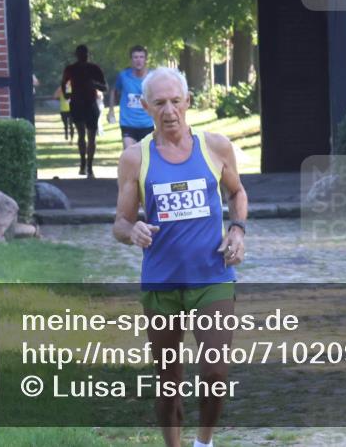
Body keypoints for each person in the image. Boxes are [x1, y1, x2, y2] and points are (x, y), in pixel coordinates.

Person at [113, 67, 247, 447]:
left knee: (215, 373)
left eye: (176, 100)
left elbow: (238, 192)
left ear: (188, 101)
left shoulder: (215, 146)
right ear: (144, 107)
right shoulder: (134, 158)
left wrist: (237, 229)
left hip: (212, 275)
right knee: (168, 382)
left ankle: (204, 442)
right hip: (162, 282)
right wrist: (132, 230)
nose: (169, 110)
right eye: (159, 103)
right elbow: (120, 223)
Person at [61, 44, 107, 178]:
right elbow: (63, 83)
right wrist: (66, 94)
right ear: (77, 55)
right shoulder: (72, 69)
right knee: (83, 135)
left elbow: (104, 86)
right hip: (78, 103)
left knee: (89, 135)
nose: (83, 56)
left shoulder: (93, 68)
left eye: (84, 53)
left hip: (89, 103)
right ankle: (85, 164)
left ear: (87, 54)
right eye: (81, 53)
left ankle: (88, 165)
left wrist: (94, 84)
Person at [108, 45, 154, 148]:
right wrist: (111, 111)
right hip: (128, 123)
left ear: (146, 59)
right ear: (131, 60)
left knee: (146, 158)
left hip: (147, 123)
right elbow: (114, 90)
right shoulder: (123, 76)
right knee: (130, 153)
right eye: (135, 57)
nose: (138, 60)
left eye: (141, 57)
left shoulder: (152, 77)